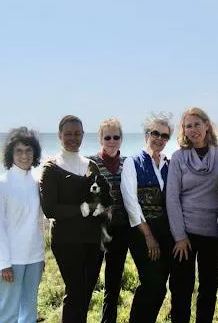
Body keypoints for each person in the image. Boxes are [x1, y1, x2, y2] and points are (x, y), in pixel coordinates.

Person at [39, 115, 103, 323]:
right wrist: (82, 208)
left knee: (86, 294)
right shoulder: (51, 168)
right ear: (59, 136)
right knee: (75, 292)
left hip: (93, 241)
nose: (73, 138)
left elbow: (100, 198)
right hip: (66, 241)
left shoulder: (91, 165)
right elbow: (50, 209)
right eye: (68, 134)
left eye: (77, 134)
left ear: (83, 135)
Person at [166, 107, 218, 323]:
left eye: (197, 124)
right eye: (188, 126)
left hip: (214, 234)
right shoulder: (178, 157)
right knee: (181, 290)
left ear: (207, 125)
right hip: (185, 236)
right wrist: (180, 236)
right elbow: (172, 198)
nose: (193, 130)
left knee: (208, 290)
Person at [120, 112, 175, 323]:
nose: (160, 139)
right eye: (155, 133)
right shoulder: (133, 163)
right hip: (142, 232)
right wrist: (148, 235)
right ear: (146, 135)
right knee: (150, 282)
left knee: (161, 284)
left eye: (165, 136)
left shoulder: (168, 164)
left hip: (166, 232)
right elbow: (131, 202)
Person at [0, 127, 45, 323]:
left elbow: (38, 222)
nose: (24, 155)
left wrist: (41, 257)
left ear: (35, 153)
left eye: (29, 150)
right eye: (19, 151)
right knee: (6, 315)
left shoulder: (36, 183)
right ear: (10, 154)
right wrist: (4, 263)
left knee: (29, 314)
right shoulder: (1, 185)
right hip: (10, 261)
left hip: (34, 259)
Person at [87, 118, 129, 323]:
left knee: (113, 285)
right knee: (88, 282)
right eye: (107, 137)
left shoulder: (128, 163)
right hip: (96, 232)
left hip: (121, 230)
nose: (112, 141)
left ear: (121, 138)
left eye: (116, 137)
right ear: (100, 139)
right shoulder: (90, 163)